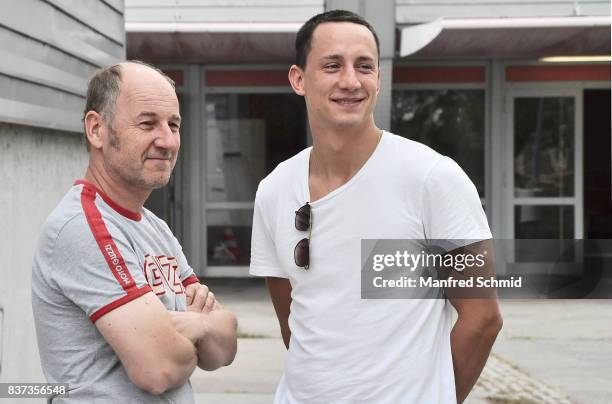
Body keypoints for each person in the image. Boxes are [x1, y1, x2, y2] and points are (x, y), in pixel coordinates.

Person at [250, 10, 502, 404]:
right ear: (299, 79)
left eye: (364, 66)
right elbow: (294, 324)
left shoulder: (432, 178)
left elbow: (483, 318)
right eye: (332, 65)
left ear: (378, 80)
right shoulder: (274, 191)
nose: (350, 81)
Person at [32, 61, 237, 403]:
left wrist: (200, 326)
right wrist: (194, 328)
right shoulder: (84, 227)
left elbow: (223, 348)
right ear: (97, 129)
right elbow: (159, 369)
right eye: (148, 123)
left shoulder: (154, 227)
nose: (168, 141)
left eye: (174, 125)